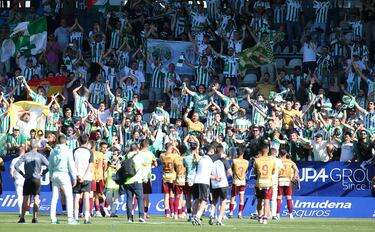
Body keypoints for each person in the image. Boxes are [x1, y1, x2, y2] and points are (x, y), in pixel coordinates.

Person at [15, 139, 49, 223]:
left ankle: (22, 218)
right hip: (36, 179)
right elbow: (49, 166)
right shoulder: (40, 156)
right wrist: (43, 173)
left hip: (27, 179)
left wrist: (23, 174)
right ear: (37, 147)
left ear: (30, 146)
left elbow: (16, 166)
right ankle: (35, 218)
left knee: (25, 199)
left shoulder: (26, 155)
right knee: (36, 199)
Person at [48, 134, 79, 224]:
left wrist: (50, 175)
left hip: (54, 174)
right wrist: (74, 177)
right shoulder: (68, 150)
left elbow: (50, 165)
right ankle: (70, 218)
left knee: (54, 197)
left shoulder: (53, 151)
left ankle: (53, 218)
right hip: (63, 174)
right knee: (69, 196)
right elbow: (71, 165)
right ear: (65, 141)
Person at [208, 144, 232, 226]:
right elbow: (230, 173)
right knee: (223, 201)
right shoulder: (224, 160)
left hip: (214, 184)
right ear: (222, 151)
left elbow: (208, 173)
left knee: (214, 201)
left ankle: (211, 215)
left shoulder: (212, 160)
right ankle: (219, 219)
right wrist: (225, 175)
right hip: (223, 183)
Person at [73, 134, 94, 224]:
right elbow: (90, 166)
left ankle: (76, 217)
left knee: (77, 197)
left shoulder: (74, 151)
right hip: (87, 178)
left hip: (77, 177)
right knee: (86, 197)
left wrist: (78, 176)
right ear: (87, 141)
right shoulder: (89, 152)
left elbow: (72, 165)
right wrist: (84, 177)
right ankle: (86, 218)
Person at [122, 144, 146, 223]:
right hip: (137, 180)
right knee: (140, 198)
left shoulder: (125, 156)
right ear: (137, 149)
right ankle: (141, 216)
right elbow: (144, 165)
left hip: (127, 181)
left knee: (129, 199)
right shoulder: (139, 157)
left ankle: (129, 218)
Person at [253, 143, 276, 225]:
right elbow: (273, 172)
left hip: (259, 183)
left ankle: (260, 217)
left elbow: (255, 172)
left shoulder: (257, 160)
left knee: (259, 201)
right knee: (266, 201)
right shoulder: (272, 160)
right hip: (268, 183)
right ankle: (265, 219)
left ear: (260, 150)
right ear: (268, 150)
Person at [191, 145, 214, 225]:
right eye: (212, 151)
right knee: (204, 200)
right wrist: (216, 177)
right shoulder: (210, 161)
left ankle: (193, 217)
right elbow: (210, 174)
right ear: (209, 152)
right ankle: (198, 216)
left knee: (196, 200)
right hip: (204, 181)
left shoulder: (201, 159)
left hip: (196, 181)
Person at [276, 149, 300, 219]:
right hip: (287, 180)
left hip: (279, 179)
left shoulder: (278, 161)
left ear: (279, 154)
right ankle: (291, 215)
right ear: (286, 154)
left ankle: (277, 214)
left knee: (279, 197)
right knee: (289, 198)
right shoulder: (290, 162)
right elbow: (297, 170)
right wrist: (295, 176)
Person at [229, 147, 249, 218]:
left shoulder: (234, 161)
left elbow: (231, 169)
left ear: (237, 153)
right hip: (243, 181)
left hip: (236, 181)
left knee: (233, 197)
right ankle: (240, 213)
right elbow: (246, 171)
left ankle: (231, 212)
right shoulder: (247, 162)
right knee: (241, 197)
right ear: (243, 153)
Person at [160, 143, 179, 218]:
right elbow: (179, 155)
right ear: (171, 148)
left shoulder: (162, 155)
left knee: (166, 196)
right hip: (172, 177)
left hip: (165, 177)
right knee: (172, 195)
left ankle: (167, 213)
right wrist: (175, 148)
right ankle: (173, 213)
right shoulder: (174, 156)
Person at [10, 147, 26, 217]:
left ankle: (20, 212)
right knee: (25, 196)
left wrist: (13, 177)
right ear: (24, 152)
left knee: (19, 196)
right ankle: (25, 211)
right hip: (26, 180)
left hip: (18, 180)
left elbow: (11, 172)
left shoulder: (14, 160)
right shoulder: (27, 159)